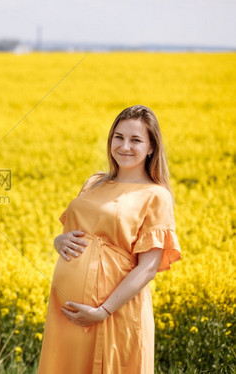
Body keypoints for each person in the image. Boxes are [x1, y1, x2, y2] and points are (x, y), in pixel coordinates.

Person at [37, 105, 182, 373]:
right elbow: (73, 232)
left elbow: (148, 267)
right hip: (67, 311)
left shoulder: (155, 195)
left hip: (115, 312)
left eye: (136, 140)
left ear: (151, 147)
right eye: (119, 137)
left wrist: (103, 310)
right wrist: (59, 242)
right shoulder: (94, 182)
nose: (125, 146)